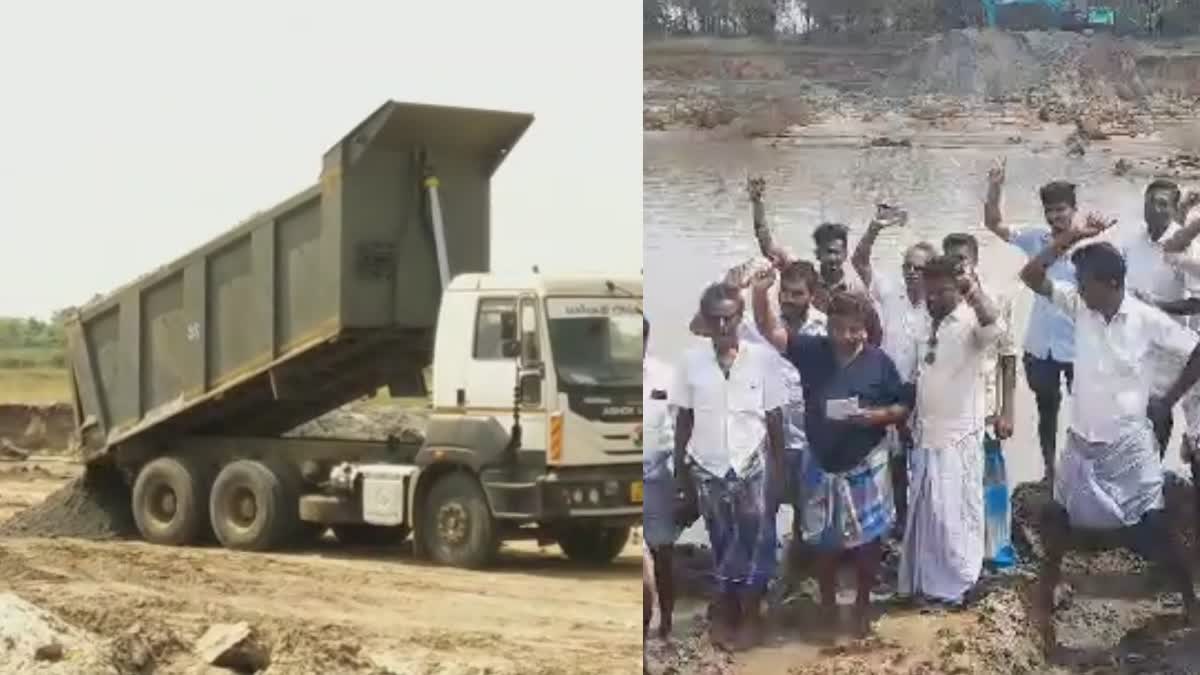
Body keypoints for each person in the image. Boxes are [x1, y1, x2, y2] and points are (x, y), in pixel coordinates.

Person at [1018, 220, 1200, 654]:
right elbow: (1030, 276)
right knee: (1057, 523)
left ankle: (1190, 603)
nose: (1078, 288)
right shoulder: (1078, 307)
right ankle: (1043, 606)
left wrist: (1167, 399)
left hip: (1129, 445)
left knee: (1154, 528)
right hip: (1082, 441)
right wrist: (1071, 239)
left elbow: (1196, 347)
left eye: (1085, 282)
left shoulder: (1144, 318)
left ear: (1110, 283)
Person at [753, 285, 913, 636]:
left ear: (867, 329)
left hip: (866, 463)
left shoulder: (879, 362)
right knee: (823, 540)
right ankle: (827, 605)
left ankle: (861, 606)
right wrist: (760, 293)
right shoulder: (813, 351)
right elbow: (770, 331)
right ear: (828, 327)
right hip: (821, 462)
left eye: (855, 329)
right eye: (839, 329)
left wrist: (876, 416)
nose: (846, 336)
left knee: (869, 542)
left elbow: (903, 405)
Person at [671, 283, 787, 650]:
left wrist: (780, 472)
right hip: (707, 467)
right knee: (721, 541)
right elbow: (683, 421)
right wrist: (679, 472)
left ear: (740, 318)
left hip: (751, 465)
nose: (723, 326)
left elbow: (775, 419)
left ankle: (750, 613)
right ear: (705, 321)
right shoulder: (690, 361)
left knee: (754, 542)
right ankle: (727, 611)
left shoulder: (762, 358)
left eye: (729, 318)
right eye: (715, 319)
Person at [897, 255, 1000, 608]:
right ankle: (927, 585)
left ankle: (957, 587)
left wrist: (971, 288)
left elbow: (994, 325)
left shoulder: (970, 322)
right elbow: (917, 376)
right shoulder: (925, 324)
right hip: (927, 433)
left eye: (942, 292)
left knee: (955, 516)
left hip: (958, 437)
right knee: (929, 514)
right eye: (930, 292)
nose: (934, 299)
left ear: (956, 290)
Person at [982, 158, 1076, 486]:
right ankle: (1049, 471)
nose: (1055, 217)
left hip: (1079, 346)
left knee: (1087, 413)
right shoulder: (1036, 238)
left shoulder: (1091, 245)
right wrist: (995, 187)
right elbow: (994, 223)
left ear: (1074, 210)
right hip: (1041, 344)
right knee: (1046, 411)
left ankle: (1081, 473)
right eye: (1050, 211)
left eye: (1061, 210)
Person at [850, 210, 935, 530]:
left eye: (919, 268)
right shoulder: (890, 291)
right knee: (893, 459)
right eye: (908, 267)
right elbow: (859, 262)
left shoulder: (939, 305)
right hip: (888, 391)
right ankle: (897, 520)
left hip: (926, 396)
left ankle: (922, 520)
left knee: (924, 460)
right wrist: (875, 227)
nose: (912, 273)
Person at [942, 233, 1017, 569]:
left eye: (962, 258)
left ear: (975, 260)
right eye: (951, 258)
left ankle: (998, 549)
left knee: (992, 480)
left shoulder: (996, 298)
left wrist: (1008, 409)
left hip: (985, 409)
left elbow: (1008, 356)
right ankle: (959, 551)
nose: (958, 264)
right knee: (954, 485)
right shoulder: (941, 301)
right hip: (952, 412)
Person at [1119, 179, 1200, 456]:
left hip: (1171, 348)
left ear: (1174, 209)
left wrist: (1158, 305)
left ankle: (1156, 476)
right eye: (1150, 202)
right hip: (1133, 343)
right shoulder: (1131, 243)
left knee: (1160, 411)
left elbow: (1197, 303)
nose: (1154, 209)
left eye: (1163, 204)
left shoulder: (1187, 246)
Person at [642, 316, 679, 640]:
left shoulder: (665, 375)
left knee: (663, 550)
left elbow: (681, 424)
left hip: (658, 477)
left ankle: (666, 622)